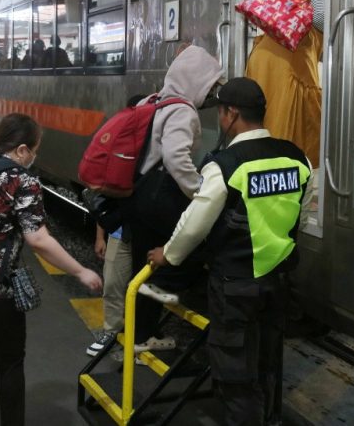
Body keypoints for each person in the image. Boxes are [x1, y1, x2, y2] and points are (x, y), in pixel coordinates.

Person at [146, 77, 310, 426]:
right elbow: (303, 209)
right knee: (267, 363)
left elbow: (194, 224)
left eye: (221, 113)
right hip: (278, 280)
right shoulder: (298, 157)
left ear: (232, 114)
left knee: (236, 373)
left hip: (235, 284)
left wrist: (168, 256)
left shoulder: (226, 165)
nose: (221, 120)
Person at [0, 113, 103, 426]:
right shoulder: (21, 180)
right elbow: (38, 239)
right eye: (35, 149)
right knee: (9, 365)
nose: (35, 156)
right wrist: (80, 271)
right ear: (22, 150)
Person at [128, 45, 223, 351]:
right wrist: (198, 191)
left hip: (138, 192)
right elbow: (175, 157)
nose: (210, 94)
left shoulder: (152, 100)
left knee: (143, 265)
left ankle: (140, 338)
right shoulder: (183, 109)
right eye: (209, 85)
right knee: (197, 239)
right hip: (161, 193)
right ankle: (169, 285)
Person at [244, 0, 326, 168]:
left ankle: (260, 173)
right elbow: (321, 17)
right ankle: (287, 176)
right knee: (294, 124)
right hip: (290, 62)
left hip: (268, 56)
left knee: (266, 120)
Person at [85, 93, 146, 357]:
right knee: (113, 284)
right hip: (121, 232)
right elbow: (105, 198)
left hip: (146, 232)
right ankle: (112, 331)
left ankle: (141, 336)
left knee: (143, 290)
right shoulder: (123, 149)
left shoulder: (157, 148)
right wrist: (101, 235)